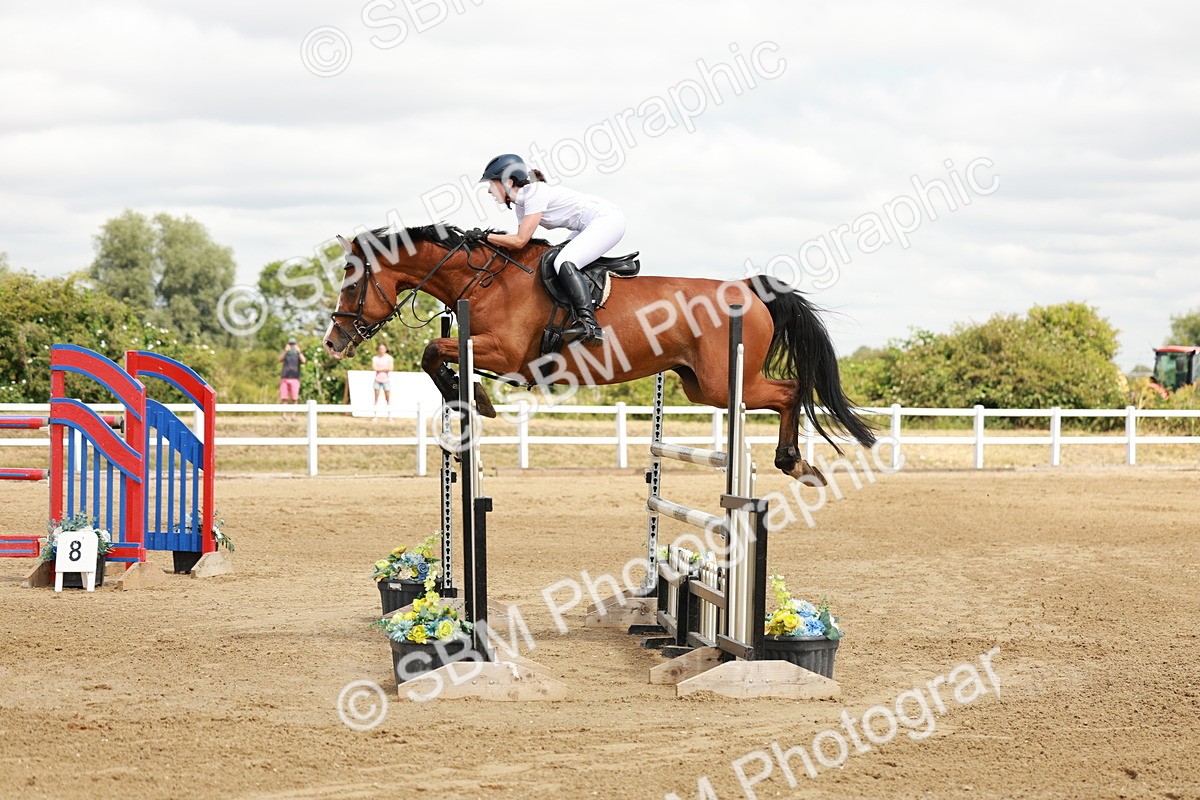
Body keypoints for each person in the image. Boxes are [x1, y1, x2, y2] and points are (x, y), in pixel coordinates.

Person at [476, 153, 626, 346]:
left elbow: (519, 241)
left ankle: (589, 324)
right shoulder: (521, 205)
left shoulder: (533, 193)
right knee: (554, 258)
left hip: (607, 220)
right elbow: (521, 244)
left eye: (491, 184)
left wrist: (485, 237)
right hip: (587, 226)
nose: (489, 191)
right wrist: (484, 243)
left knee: (563, 261)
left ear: (509, 182)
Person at [278, 337, 306, 421]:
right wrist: (286, 351)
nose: (292, 346)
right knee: (284, 398)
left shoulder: (298, 353)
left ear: (296, 344)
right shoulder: (285, 353)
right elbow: (279, 359)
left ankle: (293, 416)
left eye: (293, 344)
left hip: (295, 378)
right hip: (285, 378)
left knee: (294, 399)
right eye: (290, 344)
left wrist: (299, 351)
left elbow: (304, 361)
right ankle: (284, 416)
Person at [371, 343, 394, 421]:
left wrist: (380, 368)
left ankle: (389, 415)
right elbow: (374, 368)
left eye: (383, 349)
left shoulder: (389, 358)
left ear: (386, 349)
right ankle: (375, 415)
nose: (381, 350)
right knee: (376, 398)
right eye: (380, 349)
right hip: (377, 379)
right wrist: (385, 368)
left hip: (386, 380)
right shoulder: (375, 358)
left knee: (388, 398)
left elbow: (390, 368)